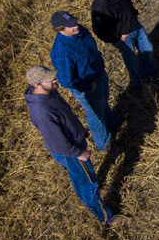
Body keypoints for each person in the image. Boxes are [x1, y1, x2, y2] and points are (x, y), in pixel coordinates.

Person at [23, 66, 125, 226]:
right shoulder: (42, 112)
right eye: (51, 79)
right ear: (37, 85)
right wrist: (77, 153)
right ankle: (107, 218)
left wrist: (79, 130)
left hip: (74, 143)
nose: (55, 80)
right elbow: (55, 142)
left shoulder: (49, 93)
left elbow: (65, 117)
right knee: (88, 184)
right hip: (70, 152)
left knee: (81, 178)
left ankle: (89, 195)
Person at [50, 10, 119, 151]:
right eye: (71, 25)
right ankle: (104, 144)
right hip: (87, 86)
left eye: (75, 21)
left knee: (104, 99)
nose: (76, 25)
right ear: (61, 29)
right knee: (95, 115)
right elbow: (66, 81)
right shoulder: (61, 51)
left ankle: (111, 121)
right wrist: (87, 86)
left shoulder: (80, 30)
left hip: (98, 73)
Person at [91, 0, 159, 90]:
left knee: (148, 49)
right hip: (124, 36)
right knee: (132, 61)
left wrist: (134, 16)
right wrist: (117, 37)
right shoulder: (100, 5)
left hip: (136, 26)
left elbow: (129, 4)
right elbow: (99, 29)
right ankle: (142, 85)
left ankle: (153, 75)